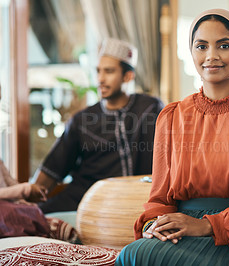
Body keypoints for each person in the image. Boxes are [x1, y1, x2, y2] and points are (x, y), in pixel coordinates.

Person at [116, 9, 229, 265]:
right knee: (133, 255)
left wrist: (207, 225)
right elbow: (159, 197)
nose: (211, 56)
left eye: (224, 45)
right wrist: (156, 224)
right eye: (201, 46)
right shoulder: (172, 116)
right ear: (191, 53)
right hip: (182, 232)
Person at [33, 38, 164, 214]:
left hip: (137, 201)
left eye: (109, 71)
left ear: (128, 76)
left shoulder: (150, 108)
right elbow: (52, 170)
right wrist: (24, 202)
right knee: (34, 216)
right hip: (86, 200)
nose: (100, 79)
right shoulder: (82, 120)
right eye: (98, 71)